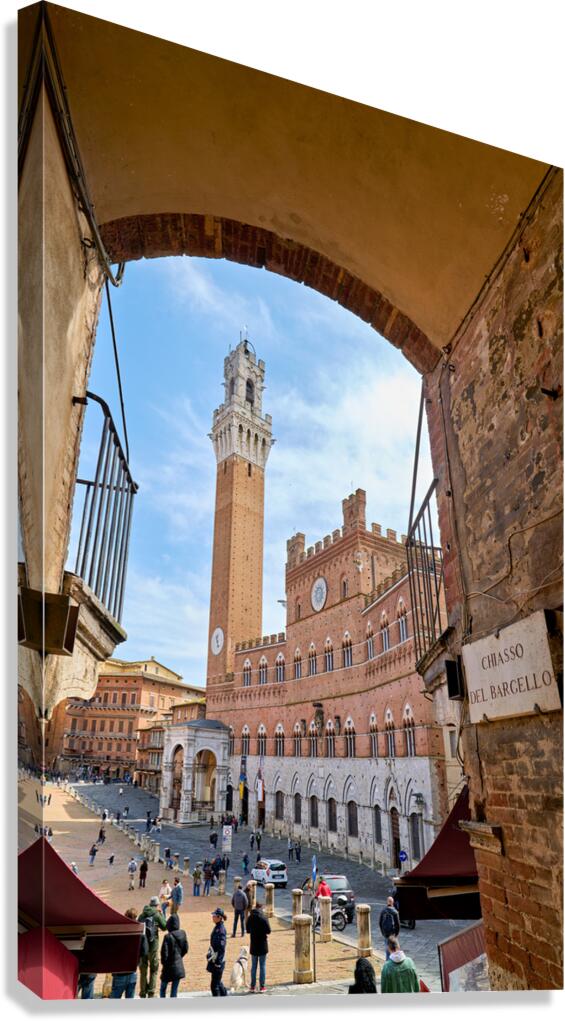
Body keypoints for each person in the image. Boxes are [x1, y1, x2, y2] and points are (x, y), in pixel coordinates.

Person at [137, 895, 167, 997]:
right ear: (157, 904)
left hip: (143, 946)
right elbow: (164, 927)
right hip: (153, 945)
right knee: (154, 969)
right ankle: (151, 991)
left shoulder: (142, 915)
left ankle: (142, 991)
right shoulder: (157, 915)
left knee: (143, 970)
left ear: (150, 904)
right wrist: (162, 914)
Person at [110, 908, 140, 998]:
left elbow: (111, 950)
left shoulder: (118, 930)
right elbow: (144, 950)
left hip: (119, 971)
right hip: (132, 971)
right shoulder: (139, 930)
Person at [159, 913, 188, 997]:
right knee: (174, 990)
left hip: (169, 967)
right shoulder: (183, 933)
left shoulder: (167, 937)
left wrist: (164, 964)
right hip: (179, 966)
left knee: (163, 988)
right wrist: (179, 957)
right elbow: (185, 949)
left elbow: (164, 954)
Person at [246, 900, 271, 992]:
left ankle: (252, 986)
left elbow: (247, 930)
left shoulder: (250, 917)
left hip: (254, 943)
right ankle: (262, 986)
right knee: (262, 966)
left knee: (253, 966)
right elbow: (269, 930)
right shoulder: (264, 917)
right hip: (263, 944)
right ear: (261, 908)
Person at [208, 908, 227, 996]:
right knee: (218, 983)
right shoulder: (217, 927)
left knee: (214, 985)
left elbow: (222, 947)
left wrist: (218, 962)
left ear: (219, 917)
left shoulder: (221, 930)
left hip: (219, 960)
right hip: (215, 959)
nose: (213, 917)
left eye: (214, 916)